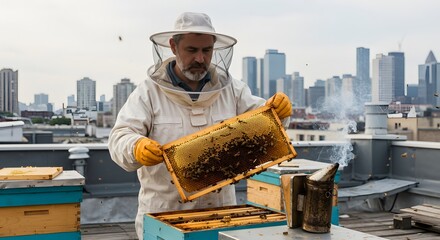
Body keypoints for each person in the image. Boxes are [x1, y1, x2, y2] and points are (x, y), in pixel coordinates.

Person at [108, 12, 292, 239]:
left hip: (221, 213)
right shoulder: (148, 92)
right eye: (192, 50)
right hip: (164, 213)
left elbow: (265, 122)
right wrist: (136, 146)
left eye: (206, 51)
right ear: (173, 47)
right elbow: (120, 136)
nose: (200, 59)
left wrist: (279, 113)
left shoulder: (232, 89)